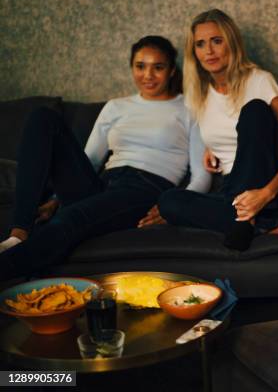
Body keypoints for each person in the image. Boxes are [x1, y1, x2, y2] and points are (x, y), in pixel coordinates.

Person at [0, 36, 209, 281]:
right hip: (104, 183)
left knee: (71, 219)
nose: (148, 75)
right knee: (42, 117)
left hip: (144, 188)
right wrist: (55, 199)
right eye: (140, 66)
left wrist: (174, 207)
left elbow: (201, 175)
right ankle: (18, 233)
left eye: (158, 67)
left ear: (172, 71)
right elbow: (90, 160)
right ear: (132, 67)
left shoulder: (189, 108)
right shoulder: (116, 106)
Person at [157, 9, 278, 251]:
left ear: (232, 43)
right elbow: (222, 129)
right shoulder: (198, 94)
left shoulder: (259, 80)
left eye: (217, 41)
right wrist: (210, 147)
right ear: (193, 52)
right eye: (201, 44)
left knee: (255, 110)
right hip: (229, 189)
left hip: (264, 185)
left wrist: (266, 194)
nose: (209, 51)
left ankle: (250, 219)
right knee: (168, 201)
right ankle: (259, 224)